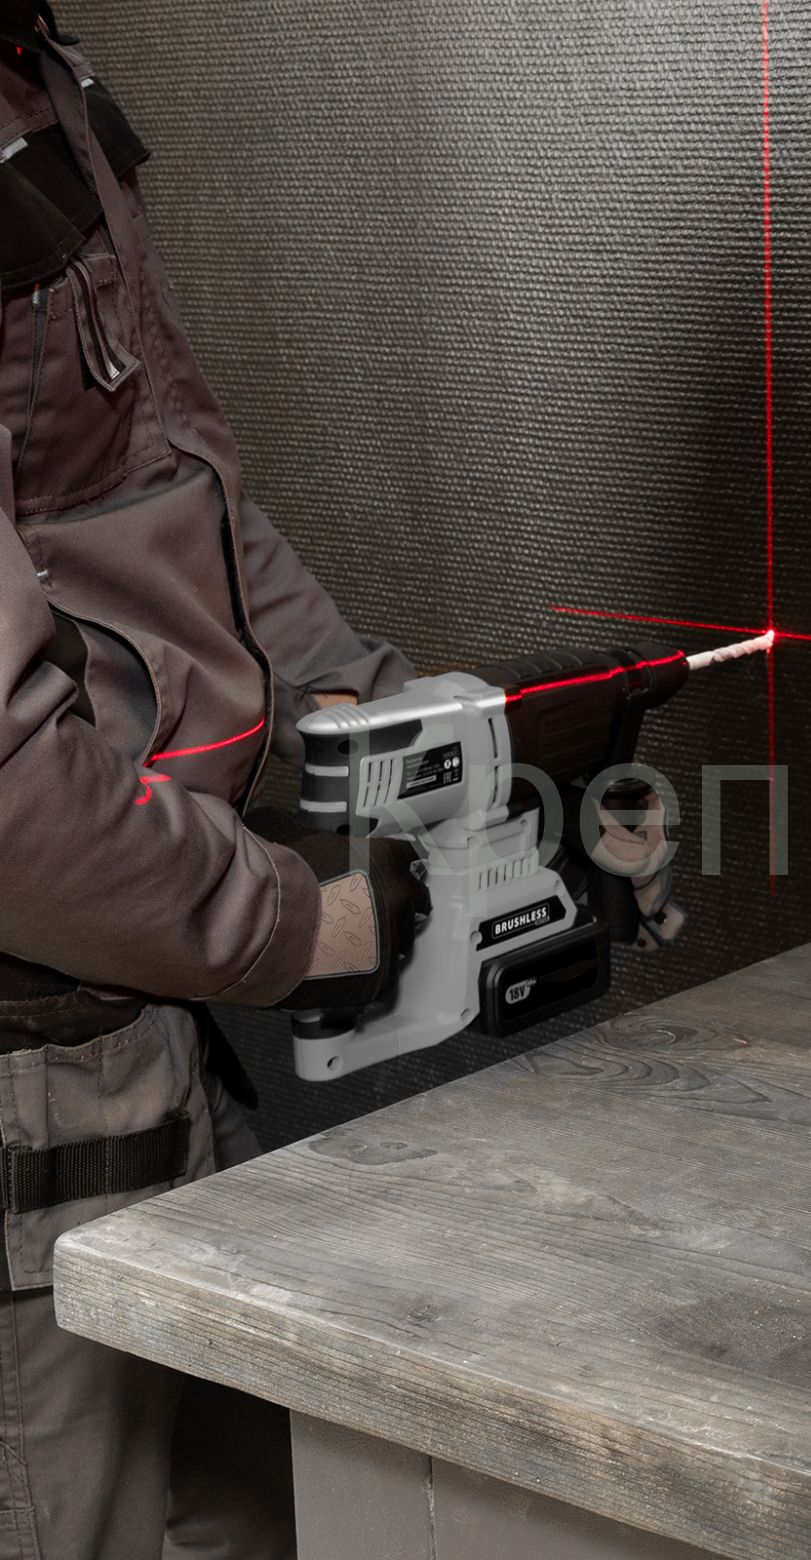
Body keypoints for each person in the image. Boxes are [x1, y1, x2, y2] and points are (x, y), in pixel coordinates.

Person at [0, 3, 433, 1554]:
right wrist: (307, 927)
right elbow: (9, 810)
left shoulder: (35, 73)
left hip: (145, 1028)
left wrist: (380, 718)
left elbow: (170, 484)